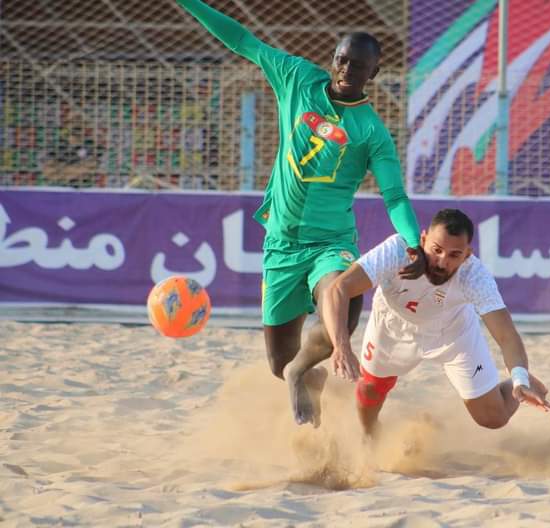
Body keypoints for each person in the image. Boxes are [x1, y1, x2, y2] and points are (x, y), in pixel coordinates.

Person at [177, 0, 426, 426]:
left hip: (330, 243)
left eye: (358, 65)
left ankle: (303, 373)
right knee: (279, 361)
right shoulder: (296, 78)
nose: (347, 69)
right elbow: (242, 40)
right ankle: (301, 376)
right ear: (332, 61)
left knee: (340, 309)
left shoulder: (371, 132)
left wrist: (414, 242)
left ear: (374, 73)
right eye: (342, 60)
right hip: (280, 244)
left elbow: (395, 197)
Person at [322, 208, 550, 437]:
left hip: (452, 334)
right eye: (436, 250)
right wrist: (341, 346)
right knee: (371, 390)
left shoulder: (475, 276)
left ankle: (522, 382)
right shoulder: (397, 251)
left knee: (493, 418)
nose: (442, 262)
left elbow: (506, 335)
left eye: (454, 255)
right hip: (392, 325)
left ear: (467, 255)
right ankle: (370, 434)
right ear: (423, 240)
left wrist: (519, 377)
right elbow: (339, 288)